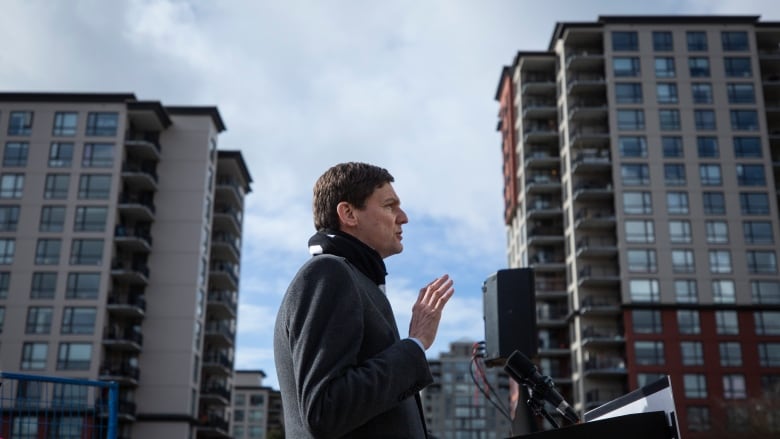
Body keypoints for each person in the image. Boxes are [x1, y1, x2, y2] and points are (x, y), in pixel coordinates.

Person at [274, 162, 455, 438]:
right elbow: (325, 409)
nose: (403, 217)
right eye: (389, 206)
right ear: (348, 213)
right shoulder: (328, 273)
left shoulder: (356, 280)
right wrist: (415, 344)